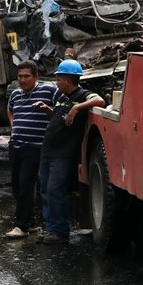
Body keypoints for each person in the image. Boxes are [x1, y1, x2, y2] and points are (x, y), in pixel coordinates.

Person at [35, 59, 105, 245]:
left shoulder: (82, 95)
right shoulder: (62, 98)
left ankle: (60, 231)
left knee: (55, 191)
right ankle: (51, 228)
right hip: (48, 152)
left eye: (59, 79)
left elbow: (100, 101)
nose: (57, 83)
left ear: (68, 79)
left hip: (63, 155)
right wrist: (48, 110)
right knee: (45, 191)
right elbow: (61, 117)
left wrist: (77, 107)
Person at [4, 61, 58, 239]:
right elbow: (10, 110)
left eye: (26, 76)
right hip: (16, 146)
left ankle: (21, 226)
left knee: (27, 185)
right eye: (20, 76)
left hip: (34, 147)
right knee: (17, 185)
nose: (22, 80)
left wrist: (49, 112)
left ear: (35, 77)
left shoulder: (49, 91)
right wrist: (14, 126)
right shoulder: (15, 94)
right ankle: (32, 222)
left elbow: (62, 107)